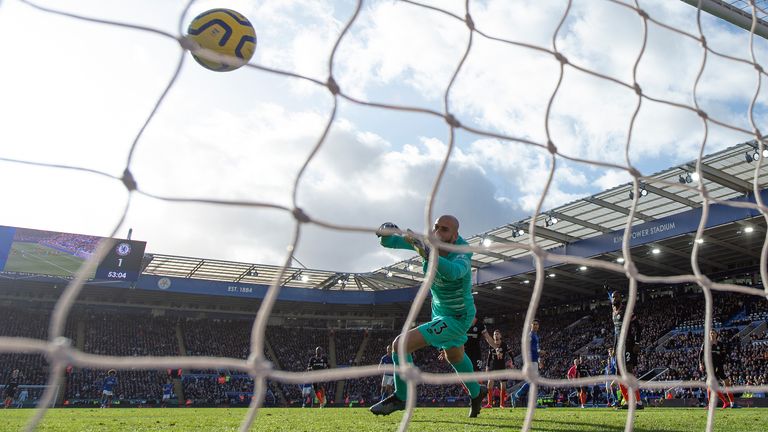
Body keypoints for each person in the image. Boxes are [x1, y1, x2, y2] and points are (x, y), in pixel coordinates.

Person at [370, 215, 487, 418]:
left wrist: (427, 254)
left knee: (400, 345)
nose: (438, 233)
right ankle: (477, 394)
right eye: (436, 228)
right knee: (455, 356)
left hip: (458, 316)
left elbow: (453, 272)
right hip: (439, 312)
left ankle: (402, 397)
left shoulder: (462, 252)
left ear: (455, 235)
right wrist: (387, 232)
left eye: (444, 230)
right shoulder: (427, 243)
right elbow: (392, 242)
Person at [607, 287, 643, 410]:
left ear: (621, 298)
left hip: (628, 344)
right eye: (612, 297)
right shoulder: (613, 312)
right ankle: (628, 402)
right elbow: (616, 333)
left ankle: (639, 402)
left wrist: (637, 343)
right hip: (619, 346)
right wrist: (613, 348)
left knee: (628, 373)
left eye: (616, 296)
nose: (614, 299)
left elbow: (638, 327)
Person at [699, 329, 736, 409]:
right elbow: (701, 354)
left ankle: (731, 403)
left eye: (713, 333)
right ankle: (719, 403)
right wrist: (700, 364)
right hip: (710, 367)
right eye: (711, 333)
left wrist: (724, 364)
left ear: (716, 334)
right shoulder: (706, 344)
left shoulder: (720, 344)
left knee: (726, 382)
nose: (712, 334)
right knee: (710, 385)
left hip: (719, 366)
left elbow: (724, 355)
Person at [514, 319, 543, 407]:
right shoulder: (530, 335)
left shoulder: (536, 336)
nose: (535, 326)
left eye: (537, 324)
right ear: (531, 325)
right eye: (534, 324)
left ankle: (520, 396)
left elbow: (536, 348)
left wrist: (539, 360)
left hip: (534, 361)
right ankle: (520, 395)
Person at [483, 329, 514, 408]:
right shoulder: (491, 345)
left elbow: (511, 354)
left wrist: (513, 362)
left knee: (503, 386)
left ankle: (502, 404)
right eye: (494, 334)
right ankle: (489, 404)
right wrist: (487, 366)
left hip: (502, 367)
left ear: (500, 336)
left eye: (497, 334)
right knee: (489, 385)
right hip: (493, 367)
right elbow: (489, 357)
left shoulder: (504, 345)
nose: (496, 335)